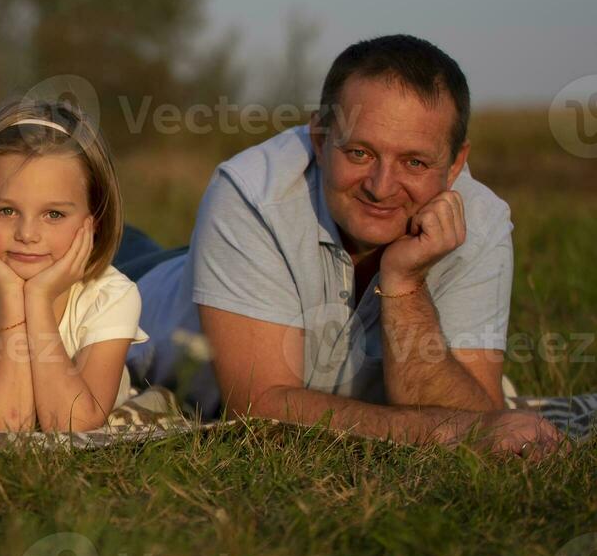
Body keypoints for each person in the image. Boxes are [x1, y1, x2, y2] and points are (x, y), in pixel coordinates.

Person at [131, 35, 567, 459]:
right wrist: (448, 430)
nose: (381, 187)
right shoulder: (251, 192)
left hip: (213, 264)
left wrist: (405, 283)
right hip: (136, 281)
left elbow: (477, 417)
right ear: (320, 140)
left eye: (414, 162)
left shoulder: (482, 221)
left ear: (455, 164)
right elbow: (260, 409)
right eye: (360, 153)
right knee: (87, 243)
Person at [0, 98, 148, 432]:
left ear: (96, 220)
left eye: (54, 214)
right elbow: (6, 423)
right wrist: (9, 294)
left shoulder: (114, 296)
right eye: (6, 211)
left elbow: (71, 421)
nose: (28, 234)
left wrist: (38, 298)